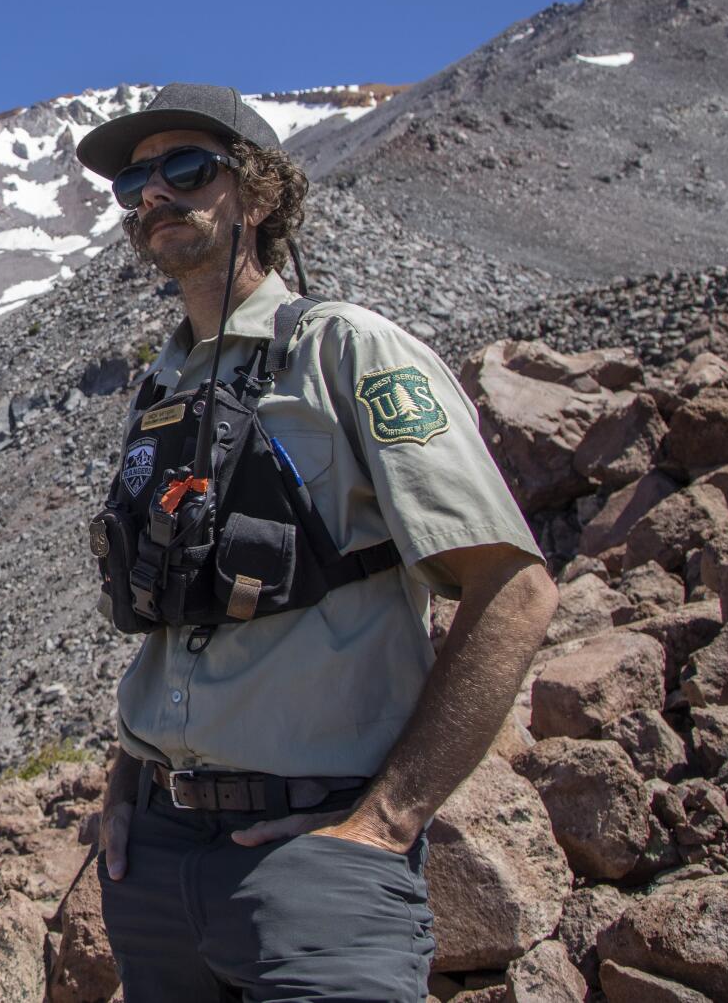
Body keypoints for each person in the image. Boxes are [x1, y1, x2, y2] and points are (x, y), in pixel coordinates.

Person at [70, 83, 559, 1002]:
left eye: (185, 167)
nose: (154, 194)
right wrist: (121, 789)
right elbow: (181, 614)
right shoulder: (164, 384)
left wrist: (386, 820)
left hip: (313, 864)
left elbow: (514, 588)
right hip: (156, 863)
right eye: (134, 181)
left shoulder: (347, 352)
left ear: (255, 192)